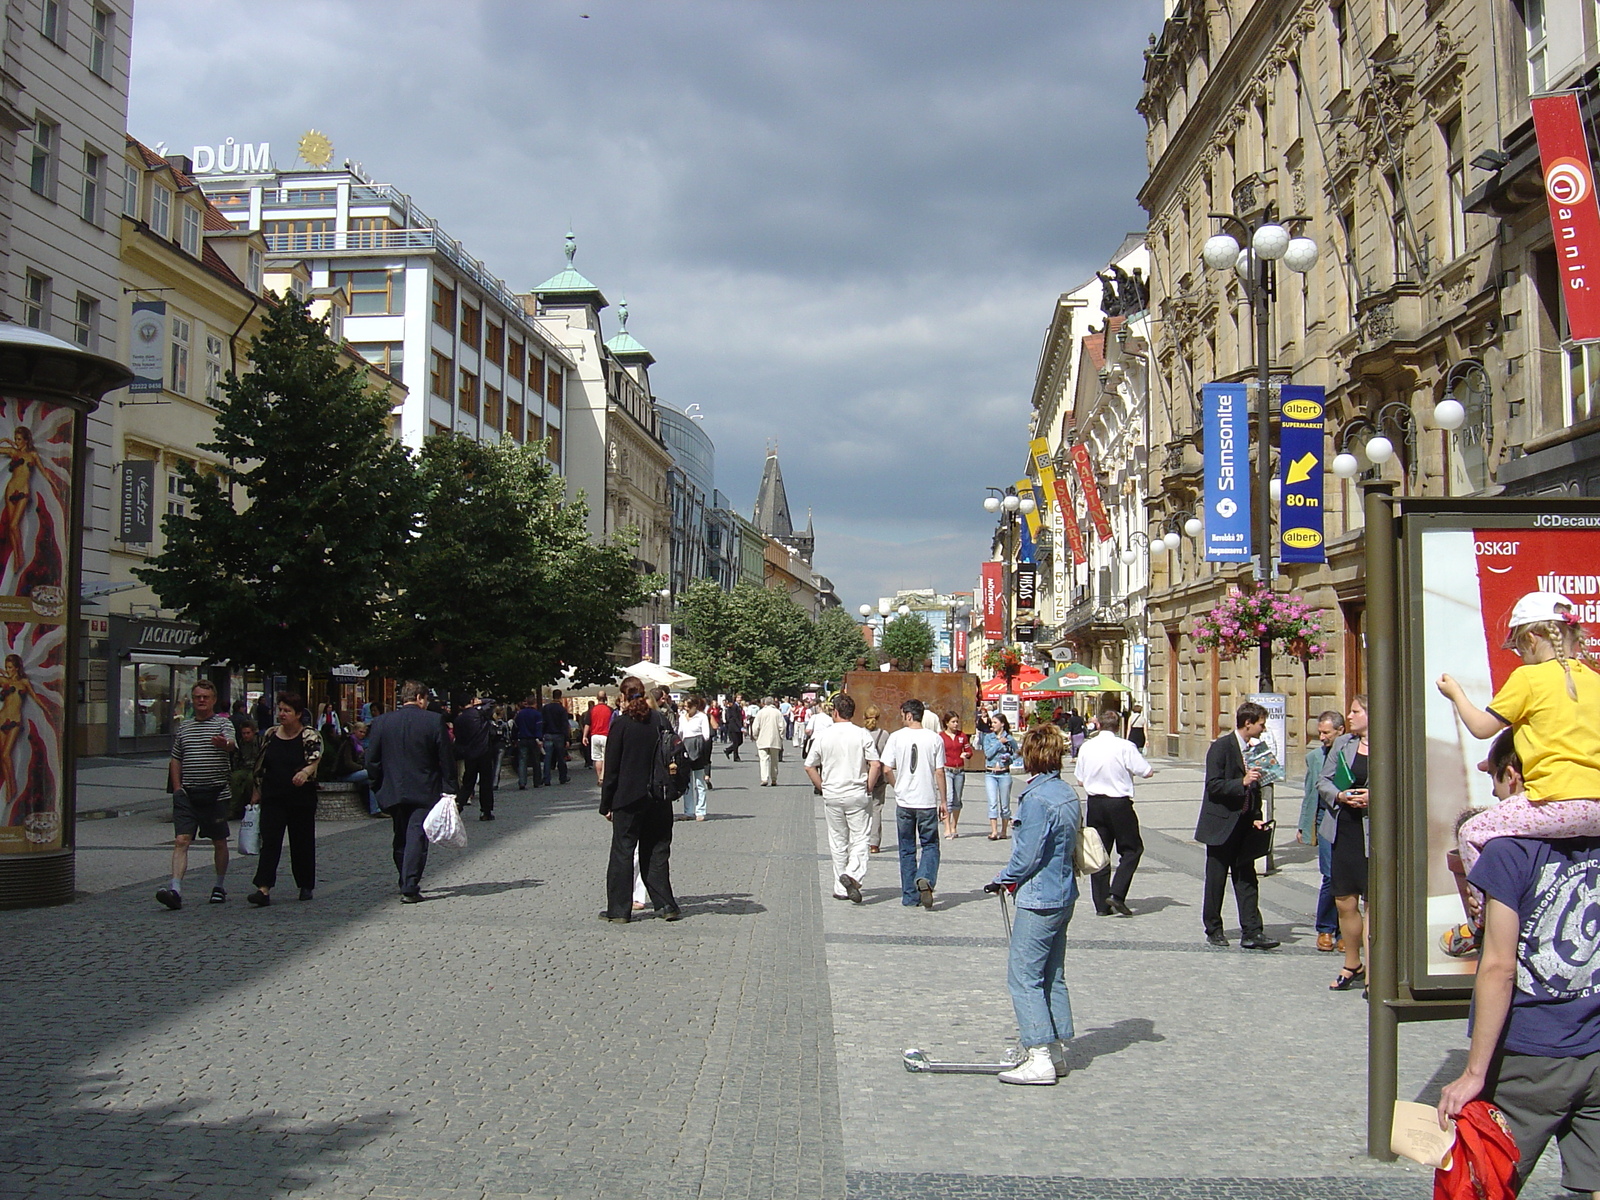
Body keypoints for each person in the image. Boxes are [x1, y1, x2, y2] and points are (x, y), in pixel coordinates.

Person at [1436, 769, 1600, 1193]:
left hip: (1527, 1055)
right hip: (1595, 1045)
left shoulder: (1507, 850)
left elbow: (1498, 967)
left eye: (1496, 784)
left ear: (1514, 775)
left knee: (1483, 1183)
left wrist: (1473, 1072)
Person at [1438, 591, 1600, 876]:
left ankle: (1483, 914)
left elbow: (1480, 727)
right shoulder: (1594, 680)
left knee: (1472, 832)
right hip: (1596, 806)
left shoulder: (1529, 678)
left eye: (1518, 647)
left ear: (1531, 639)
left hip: (1555, 803)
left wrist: (1456, 694)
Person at [987, 723, 1081, 1086]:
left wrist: (1004, 877)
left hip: (1040, 896)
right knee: (1052, 974)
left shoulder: (1037, 799)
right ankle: (1056, 1051)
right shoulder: (1066, 792)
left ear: (1031, 756)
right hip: (1064, 891)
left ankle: (1039, 1053)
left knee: (1023, 976)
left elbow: (1027, 856)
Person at [1196, 701, 1279, 950]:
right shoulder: (1221, 748)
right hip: (1221, 825)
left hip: (1244, 825)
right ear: (1248, 723)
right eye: (1261, 725)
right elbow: (1213, 785)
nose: (1263, 730)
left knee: (1247, 878)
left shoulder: (1255, 750)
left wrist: (1255, 814)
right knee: (1216, 879)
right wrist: (1241, 781)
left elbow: (1255, 787)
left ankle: (1252, 931)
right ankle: (1214, 928)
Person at [598, 675, 681, 922]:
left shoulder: (622, 725)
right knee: (657, 850)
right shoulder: (661, 720)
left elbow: (611, 769)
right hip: (659, 796)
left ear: (623, 697)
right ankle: (666, 905)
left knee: (623, 852)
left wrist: (606, 804)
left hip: (628, 797)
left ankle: (619, 911)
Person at [365, 680, 455, 903]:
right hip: (424, 787)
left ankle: (404, 877)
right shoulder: (434, 721)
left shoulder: (382, 722)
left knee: (401, 834)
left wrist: (377, 785)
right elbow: (446, 758)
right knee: (416, 835)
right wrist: (451, 789)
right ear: (419, 698)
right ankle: (410, 884)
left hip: (392, 788)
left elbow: (372, 759)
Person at [157, 679, 237, 910]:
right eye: (198, 697)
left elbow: (232, 744)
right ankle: (175, 889)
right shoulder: (185, 727)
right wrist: (177, 788)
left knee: (219, 841)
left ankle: (219, 886)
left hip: (216, 793)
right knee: (181, 840)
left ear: (213, 700)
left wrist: (225, 744)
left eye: (206, 697)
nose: (201, 700)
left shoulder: (223, 724)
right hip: (188, 794)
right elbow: (176, 758)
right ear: (193, 700)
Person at [1074, 709, 1156, 918]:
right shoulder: (1125, 746)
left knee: (1099, 852)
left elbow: (1080, 780)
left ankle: (1101, 904)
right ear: (1118, 727)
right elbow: (1146, 771)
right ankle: (1117, 893)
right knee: (1132, 849)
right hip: (1119, 803)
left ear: (1099, 725)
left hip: (1095, 803)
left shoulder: (1087, 747)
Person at [246, 691, 323, 906]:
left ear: (298, 714)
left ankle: (305, 884)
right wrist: (256, 790)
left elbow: (315, 759)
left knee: (302, 842)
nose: (282, 714)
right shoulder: (270, 734)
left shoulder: (309, 735)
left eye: (287, 711)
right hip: (273, 796)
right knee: (270, 842)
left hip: (301, 798)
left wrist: (305, 773)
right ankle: (263, 888)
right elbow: (261, 764)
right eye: (280, 710)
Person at [805, 693, 881, 903]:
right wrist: (869, 786)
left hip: (832, 793)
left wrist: (822, 787)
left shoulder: (823, 736)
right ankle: (854, 874)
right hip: (857, 792)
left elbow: (809, 765)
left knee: (838, 841)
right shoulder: (862, 734)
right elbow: (875, 763)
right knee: (860, 838)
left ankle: (840, 886)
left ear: (835, 712)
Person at [1317, 695, 1370, 989]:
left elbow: (1404, 781)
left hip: (1374, 832)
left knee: (1373, 903)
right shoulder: (1344, 744)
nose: (1349, 716)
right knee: (1344, 900)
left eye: (1355, 711)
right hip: (1344, 829)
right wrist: (1338, 796)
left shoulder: (1392, 742)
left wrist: (1374, 796)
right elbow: (1323, 780)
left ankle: (1376, 969)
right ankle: (1352, 962)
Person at [880, 699, 947, 909]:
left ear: (908, 715)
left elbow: (886, 769)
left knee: (907, 849)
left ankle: (910, 896)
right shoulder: (935, 739)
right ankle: (926, 877)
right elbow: (939, 771)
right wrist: (944, 800)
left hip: (905, 801)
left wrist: (896, 786)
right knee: (930, 845)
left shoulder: (896, 737)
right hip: (926, 800)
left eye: (902, 715)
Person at [1297, 710, 1346, 952]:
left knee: (1348, 877)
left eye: (1326, 732)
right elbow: (1310, 794)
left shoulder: (1352, 753)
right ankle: (1325, 928)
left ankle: (1345, 930)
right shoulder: (1315, 757)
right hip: (1324, 820)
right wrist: (1305, 826)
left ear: (1340, 731)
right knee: (1330, 875)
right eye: (1320, 732)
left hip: (1347, 819)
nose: (1322, 737)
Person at [453, 693, 498, 821]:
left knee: (468, 781)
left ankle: (459, 803)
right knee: (485, 782)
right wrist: (481, 701)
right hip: (484, 751)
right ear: (472, 701)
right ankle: (486, 811)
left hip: (469, 753)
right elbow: (493, 702)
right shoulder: (479, 713)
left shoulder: (459, 719)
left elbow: (459, 738)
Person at [981, 714, 1018, 840]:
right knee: (992, 803)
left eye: (995, 722)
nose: (992, 725)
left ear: (1002, 724)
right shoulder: (988, 738)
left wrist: (1010, 758)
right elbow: (988, 754)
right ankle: (994, 831)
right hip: (991, 773)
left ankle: (1003, 831)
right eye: (992, 722)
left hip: (1004, 773)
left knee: (1005, 804)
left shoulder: (1009, 738)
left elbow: (1018, 752)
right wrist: (998, 743)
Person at [678, 695, 713, 821]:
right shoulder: (682, 717)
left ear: (695, 706)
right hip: (685, 749)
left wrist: (699, 745)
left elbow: (706, 735)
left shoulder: (702, 717)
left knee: (699, 782)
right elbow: (680, 733)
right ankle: (688, 811)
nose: (686, 709)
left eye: (688, 707)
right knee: (686, 783)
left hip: (697, 749)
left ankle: (700, 810)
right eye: (685, 707)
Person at [863, 703, 891, 853]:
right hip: (879, 777)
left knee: (861, 810)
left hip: (862, 776)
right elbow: (888, 758)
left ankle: (861, 840)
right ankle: (874, 843)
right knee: (876, 809)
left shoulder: (860, 733)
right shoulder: (884, 735)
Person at [939, 711, 972, 840]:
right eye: (953, 722)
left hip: (959, 770)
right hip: (947, 770)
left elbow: (969, 750)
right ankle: (946, 826)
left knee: (958, 799)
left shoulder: (962, 736)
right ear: (947, 723)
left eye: (957, 721)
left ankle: (954, 825)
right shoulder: (941, 736)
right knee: (949, 798)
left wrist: (966, 754)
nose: (956, 724)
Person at [541, 689, 572, 785]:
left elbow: (543, 722)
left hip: (548, 734)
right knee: (561, 758)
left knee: (547, 758)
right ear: (560, 696)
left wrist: (542, 734)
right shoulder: (561, 709)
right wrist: (567, 739)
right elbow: (564, 725)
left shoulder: (546, 708)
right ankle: (562, 777)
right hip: (559, 735)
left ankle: (546, 778)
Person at [752, 697, 785, 786]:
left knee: (763, 759)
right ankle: (774, 779)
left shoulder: (760, 712)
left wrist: (756, 737)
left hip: (762, 739)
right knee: (774, 760)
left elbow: (755, 727)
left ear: (765, 703)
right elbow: (782, 727)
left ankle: (764, 778)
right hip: (775, 739)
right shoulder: (778, 713)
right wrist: (781, 737)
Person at [513, 696, 544, 790]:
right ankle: (537, 781)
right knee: (535, 760)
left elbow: (515, 727)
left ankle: (522, 782)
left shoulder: (520, 714)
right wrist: (540, 739)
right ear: (534, 703)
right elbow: (538, 728)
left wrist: (514, 739)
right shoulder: (537, 714)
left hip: (522, 738)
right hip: (533, 739)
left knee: (522, 761)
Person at [586, 690, 613, 785]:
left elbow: (587, 724)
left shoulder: (592, 710)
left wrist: (585, 736)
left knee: (597, 758)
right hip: (606, 735)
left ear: (597, 698)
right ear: (606, 698)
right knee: (606, 758)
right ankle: (603, 777)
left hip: (594, 736)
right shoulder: (609, 709)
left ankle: (599, 777)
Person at [722, 693, 745, 761]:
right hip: (733, 726)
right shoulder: (733, 706)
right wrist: (741, 727)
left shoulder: (739, 706)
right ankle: (736, 757)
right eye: (738, 698)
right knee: (736, 742)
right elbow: (735, 718)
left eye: (740, 698)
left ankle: (728, 750)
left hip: (737, 725)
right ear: (735, 698)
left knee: (740, 741)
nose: (739, 699)